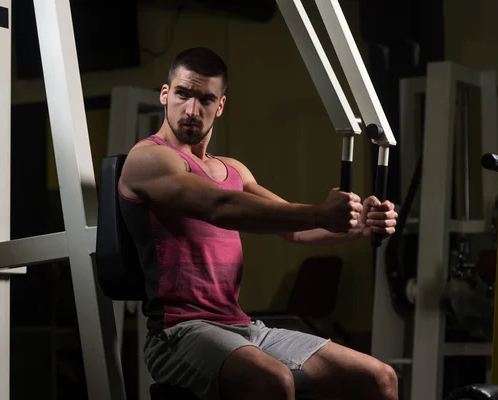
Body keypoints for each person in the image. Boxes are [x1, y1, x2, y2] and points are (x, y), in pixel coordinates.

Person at [118, 47, 399, 400]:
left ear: (220, 106)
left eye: (205, 99)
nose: (191, 109)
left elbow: (295, 228)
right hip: (177, 333)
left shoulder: (234, 170)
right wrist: (320, 212)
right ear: (165, 94)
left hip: (242, 328)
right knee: (273, 382)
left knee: (379, 378)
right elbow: (221, 207)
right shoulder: (148, 158)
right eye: (182, 94)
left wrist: (360, 224)